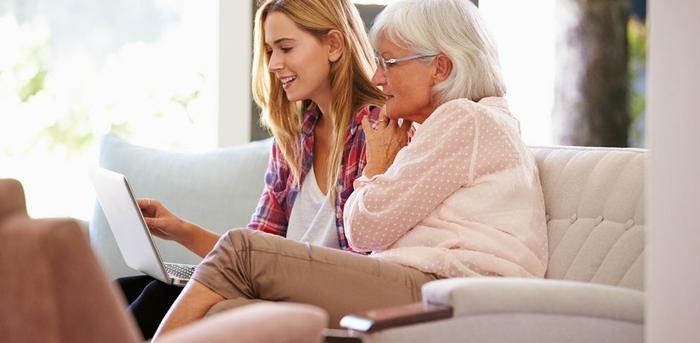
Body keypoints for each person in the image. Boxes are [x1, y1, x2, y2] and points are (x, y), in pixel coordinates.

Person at [151, 0, 549, 339]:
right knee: (225, 311)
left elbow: (364, 230)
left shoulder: (466, 120)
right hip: (427, 289)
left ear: (440, 68)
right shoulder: (438, 129)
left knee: (239, 250)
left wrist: (375, 165)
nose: (378, 77)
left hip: (452, 296)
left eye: (389, 63)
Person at [117, 0, 385, 339]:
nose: (273, 64)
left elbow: (369, 261)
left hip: (327, 297)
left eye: (285, 48)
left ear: (333, 45)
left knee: (159, 299)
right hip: (277, 285)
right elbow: (253, 252)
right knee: (125, 289)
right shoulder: (293, 139)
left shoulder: (377, 130)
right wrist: (180, 229)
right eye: (270, 51)